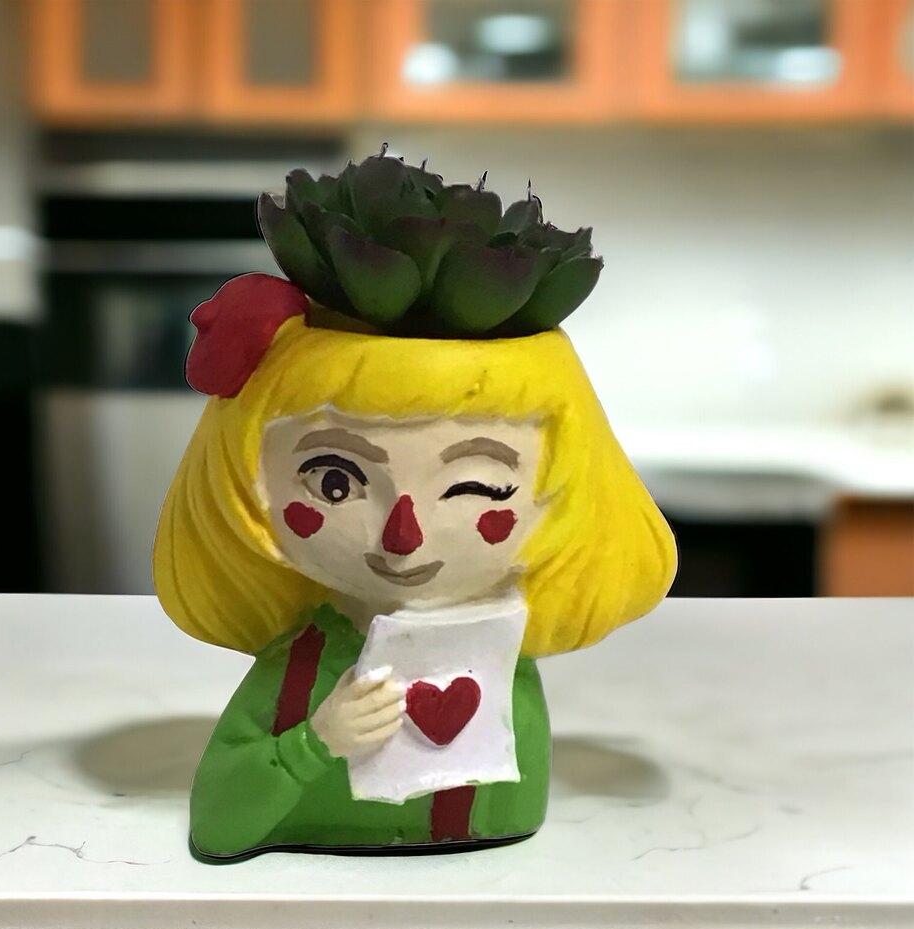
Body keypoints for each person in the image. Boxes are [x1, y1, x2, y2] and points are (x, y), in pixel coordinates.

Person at [154, 274, 675, 860]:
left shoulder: (504, 664)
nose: (404, 536)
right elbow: (219, 823)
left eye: (475, 486)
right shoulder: (300, 670)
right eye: (334, 482)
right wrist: (315, 742)